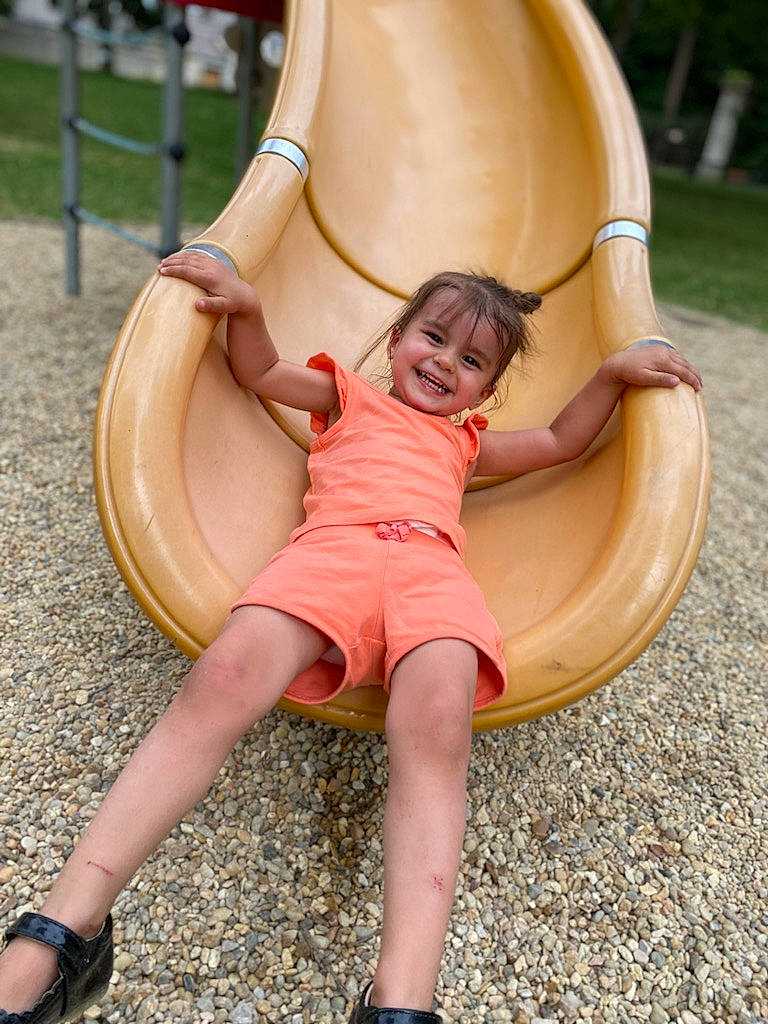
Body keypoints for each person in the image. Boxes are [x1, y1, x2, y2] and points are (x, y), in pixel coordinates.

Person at [0, 250, 702, 1024]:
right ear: (397, 336)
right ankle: (66, 930)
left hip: (430, 574)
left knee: (439, 727)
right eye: (432, 337)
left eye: (471, 361)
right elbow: (261, 372)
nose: (444, 362)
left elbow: (563, 441)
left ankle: (400, 1002)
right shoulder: (348, 398)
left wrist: (613, 373)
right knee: (224, 676)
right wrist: (245, 305)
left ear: (486, 392)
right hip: (331, 556)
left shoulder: (467, 444)